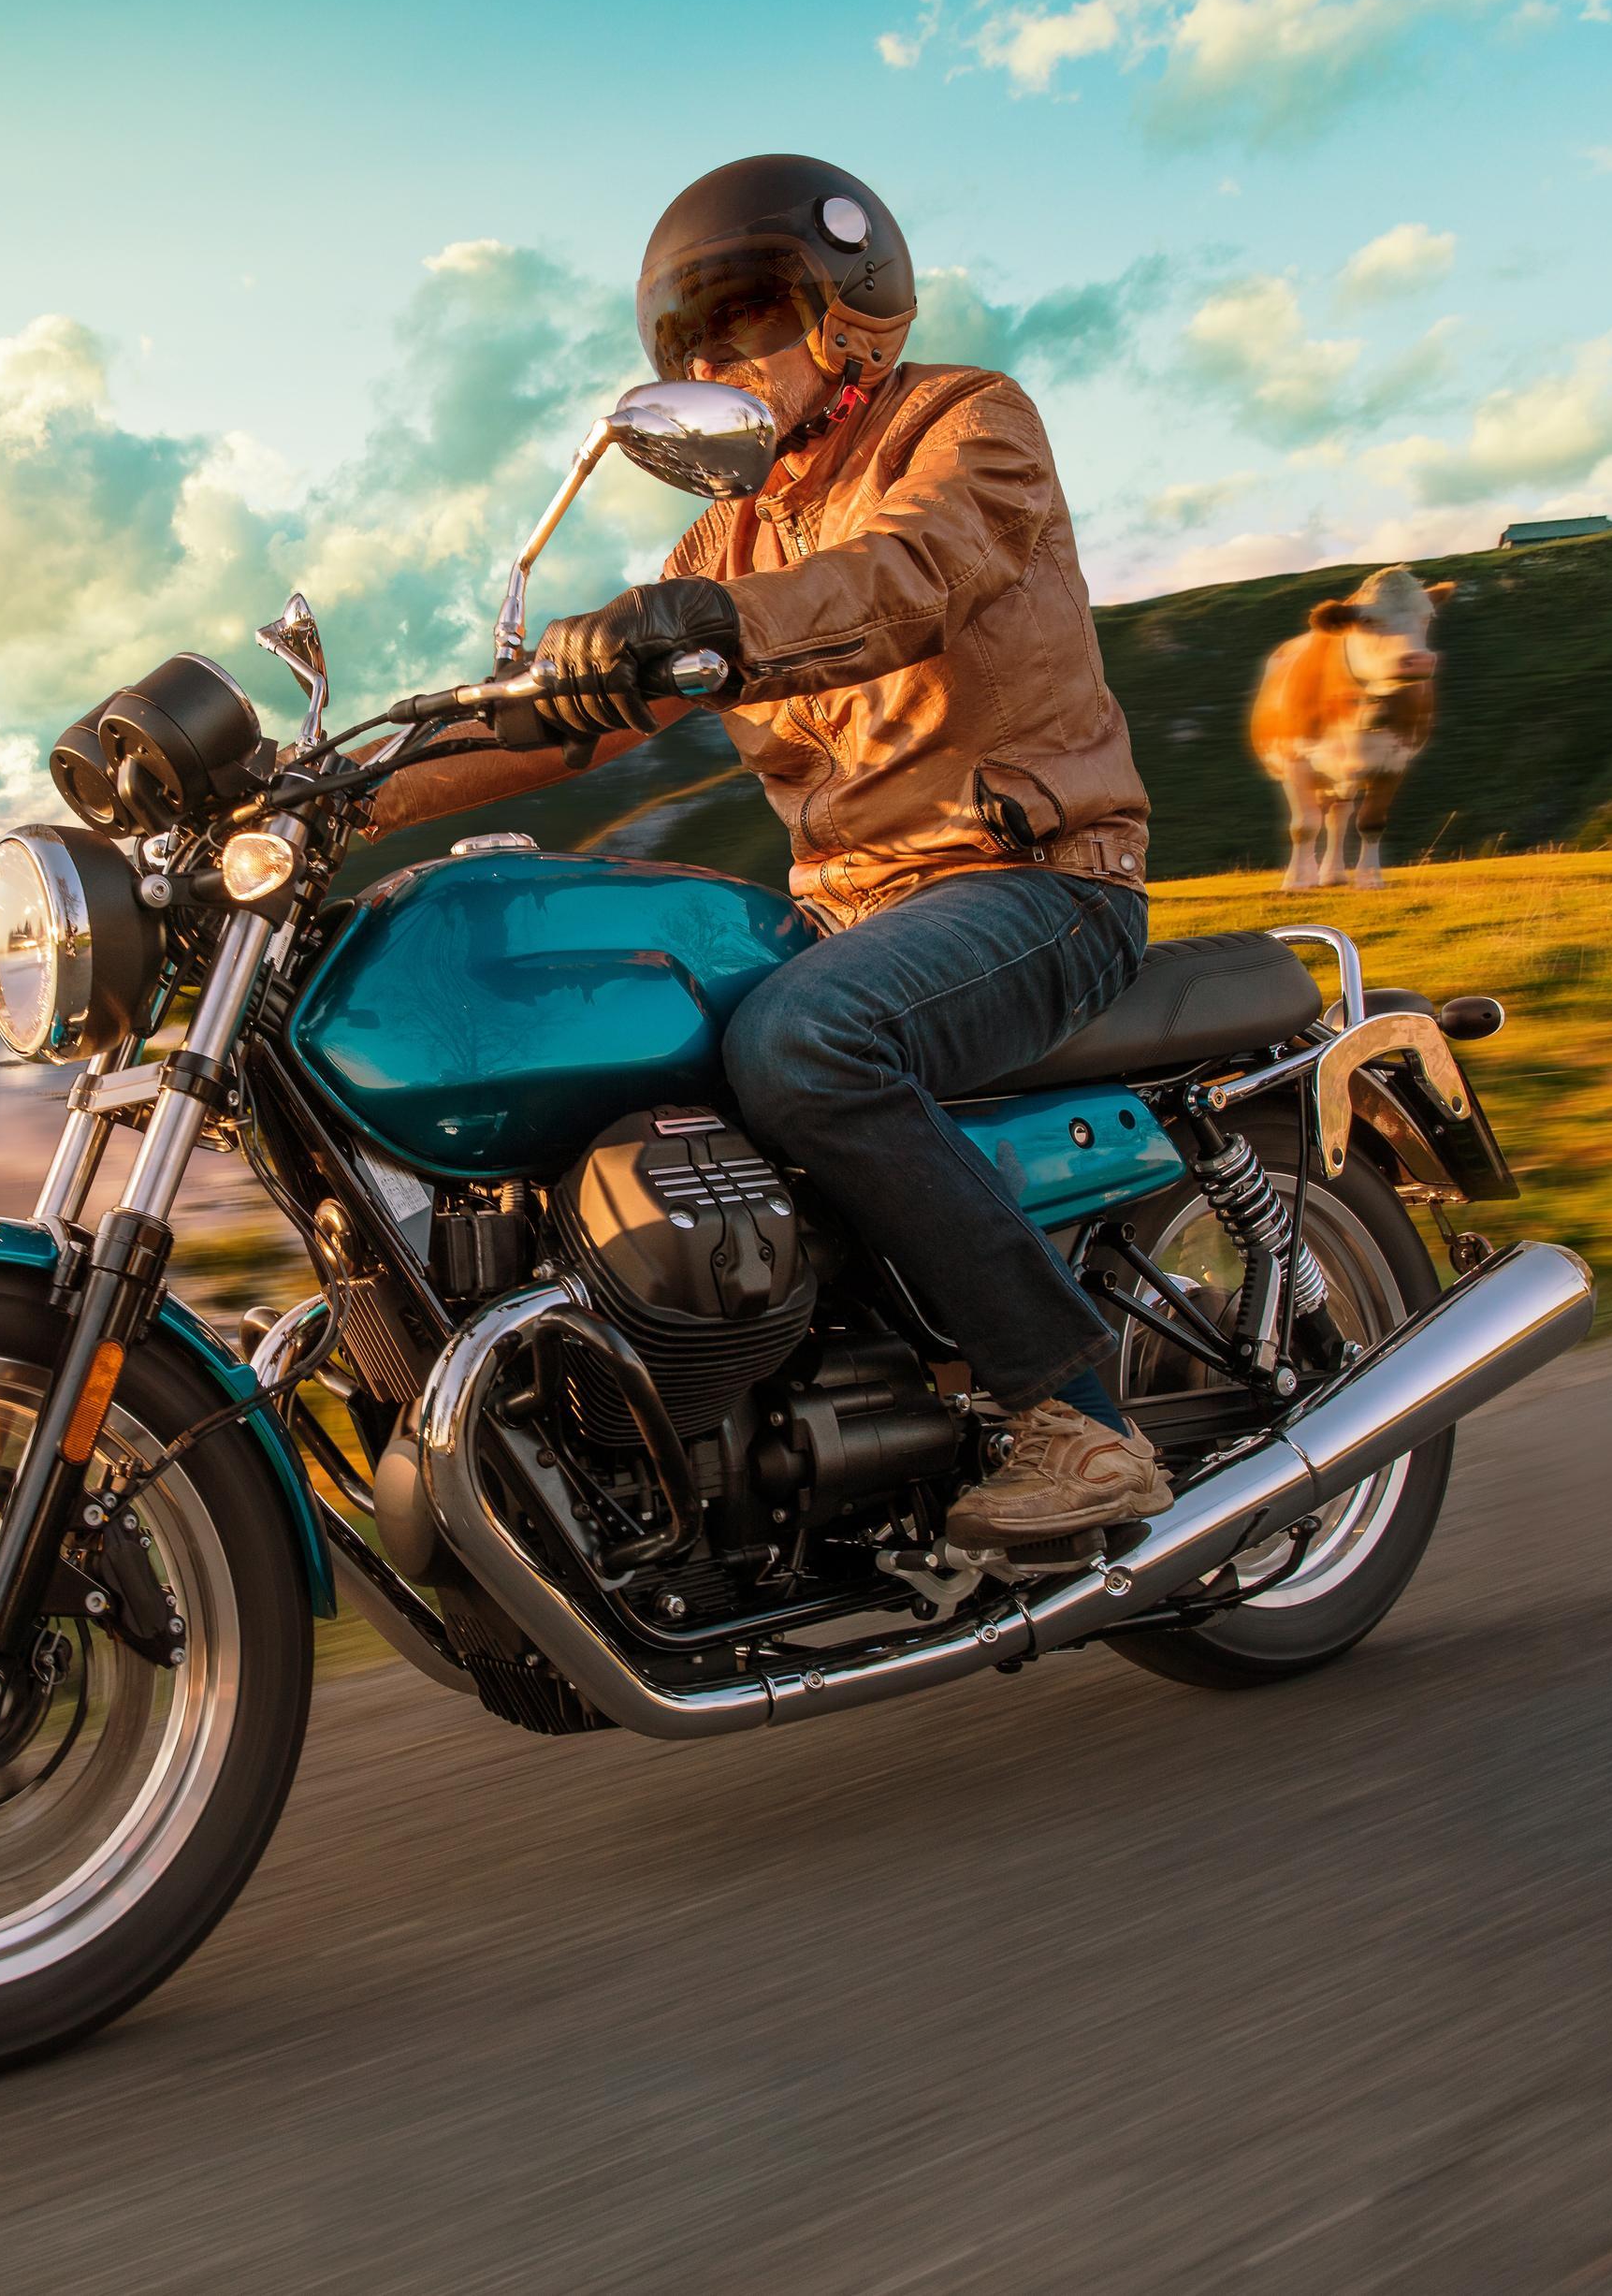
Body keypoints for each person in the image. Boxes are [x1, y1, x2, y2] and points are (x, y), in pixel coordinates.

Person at [369, 154, 1164, 1550]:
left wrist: (706, 626)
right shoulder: (723, 537)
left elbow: (906, 578)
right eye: (692, 342)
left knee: (804, 1045)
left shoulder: (967, 424)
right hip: (854, 916)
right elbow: (573, 731)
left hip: (1037, 884)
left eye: (748, 319)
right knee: (620, 1045)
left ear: (851, 312)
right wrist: (339, 797)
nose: (716, 363)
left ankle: (1077, 1418)